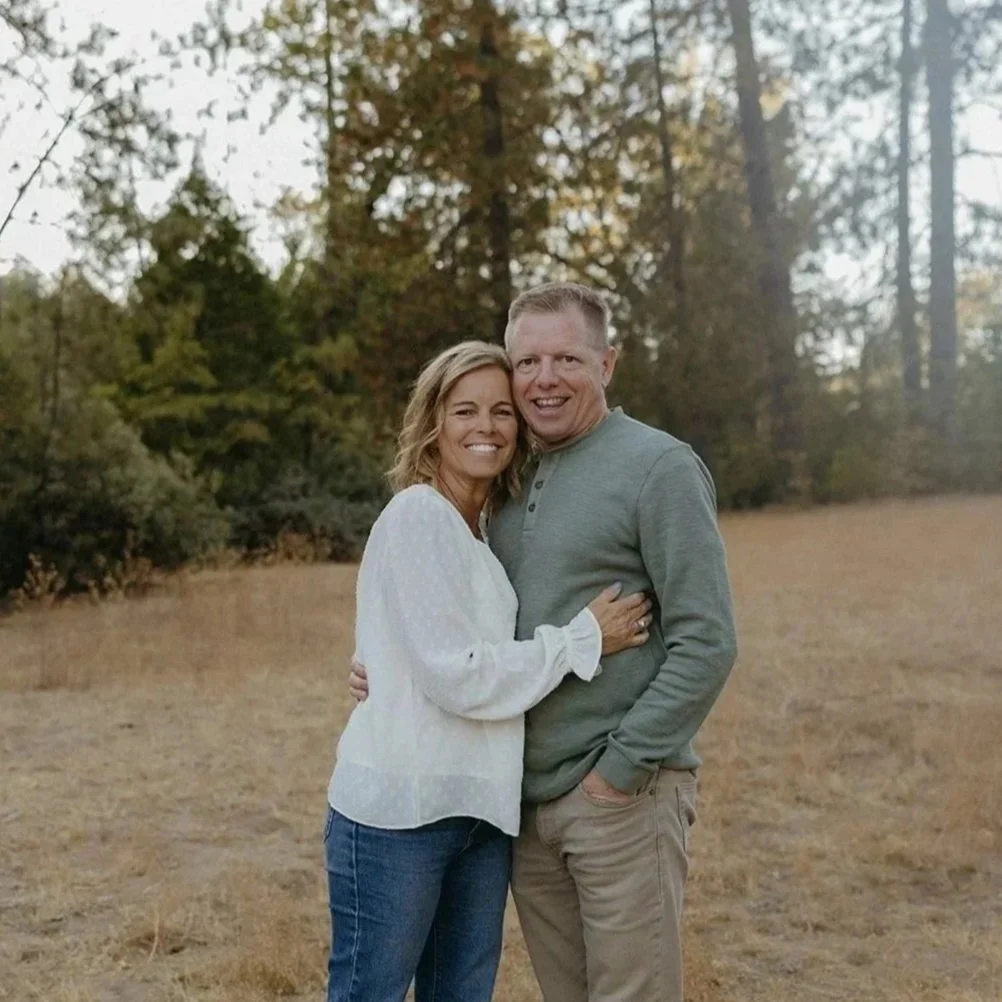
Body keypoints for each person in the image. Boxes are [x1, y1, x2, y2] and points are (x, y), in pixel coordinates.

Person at [350, 283, 738, 1002]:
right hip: (520, 804)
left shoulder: (659, 468)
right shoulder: (510, 471)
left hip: (619, 797)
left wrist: (619, 772)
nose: (544, 379)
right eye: (527, 362)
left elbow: (708, 641)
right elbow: (461, 620)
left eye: (567, 358)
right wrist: (393, 665)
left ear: (607, 363)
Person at [323, 339, 653, 1002]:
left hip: (480, 811)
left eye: (502, 412)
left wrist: (383, 664)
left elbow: (434, 647)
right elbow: (458, 674)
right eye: (465, 411)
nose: (486, 427)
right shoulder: (419, 512)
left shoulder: (482, 529)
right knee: (370, 993)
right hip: (402, 814)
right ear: (433, 425)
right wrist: (582, 637)